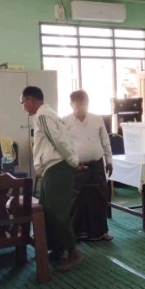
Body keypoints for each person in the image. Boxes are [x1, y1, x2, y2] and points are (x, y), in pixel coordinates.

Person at [21, 86, 84, 272]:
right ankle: (57, 250)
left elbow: (58, 141)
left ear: (31, 99)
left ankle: (73, 253)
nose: (23, 106)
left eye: (23, 102)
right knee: (47, 211)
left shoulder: (43, 115)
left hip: (58, 168)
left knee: (58, 213)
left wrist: (73, 161)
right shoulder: (47, 114)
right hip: (52, 169)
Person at [63, 90, 114, 242]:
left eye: (84, 104)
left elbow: (105, 141)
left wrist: (109, 161)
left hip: (96, 164)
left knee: (99, 198)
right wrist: (70, 162)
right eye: (78, 104)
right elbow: (63, 146)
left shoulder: (97, 119)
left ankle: (101, 231)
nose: (82, 107)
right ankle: (75, 233)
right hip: (75, 166)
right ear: (71, 104)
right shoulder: (64, 121)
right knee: (76, 200)